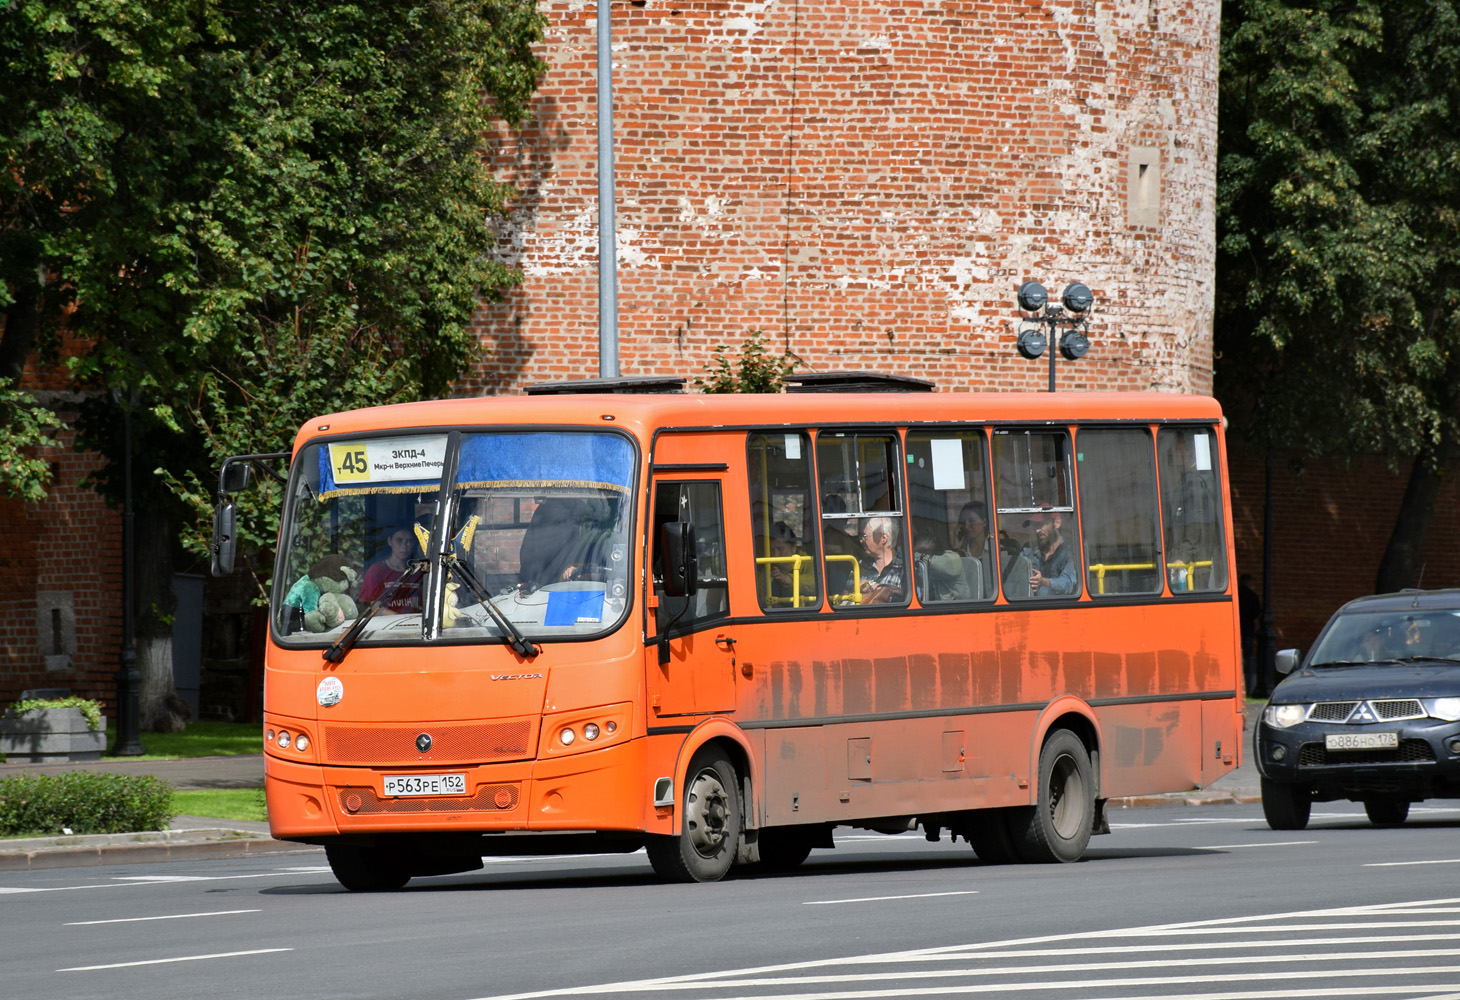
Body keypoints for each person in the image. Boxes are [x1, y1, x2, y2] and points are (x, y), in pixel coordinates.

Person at [359, 526, 423, 612]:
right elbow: (375, 607)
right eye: (399, 540)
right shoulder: (377, 570)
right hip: (389, 624)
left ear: (414, 543)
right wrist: (398, 619)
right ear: (390, 541)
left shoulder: (419, 572)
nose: (404, 546)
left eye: (409, 541)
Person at [1025, 510, 1077, 597]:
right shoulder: (1031, 550)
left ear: (1057, 523)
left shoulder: (1069, 551)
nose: (1037, 530)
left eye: (1041, 524)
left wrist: (1044, 582)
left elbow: (1069, 583)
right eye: (1035, 526)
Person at [914, 524, 971, 603]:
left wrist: (915, 556)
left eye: (923, 553)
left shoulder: (951, 559)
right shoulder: (926, 567)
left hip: (956, 608)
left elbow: (936, 563)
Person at [858, 515, 905, 603]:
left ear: (883, 538)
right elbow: (845, 595)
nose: (861, 540)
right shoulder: (860, 565)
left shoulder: (907, 566)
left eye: (865, 536)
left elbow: (915, 597)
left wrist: (877, 588)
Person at [956, 500, 994, 599]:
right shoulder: (958, 554)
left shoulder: (998, 552)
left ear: (984, 523)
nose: (966, 526)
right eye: (963, 522)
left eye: (971, 521)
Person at [1238, 573, 1262, 691]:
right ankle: (1248, 686)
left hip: (1237, 628)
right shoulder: (1252, 596)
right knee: (1248, 656)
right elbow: (1256, 612)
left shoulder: (1236, 595)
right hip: (1248, 628)